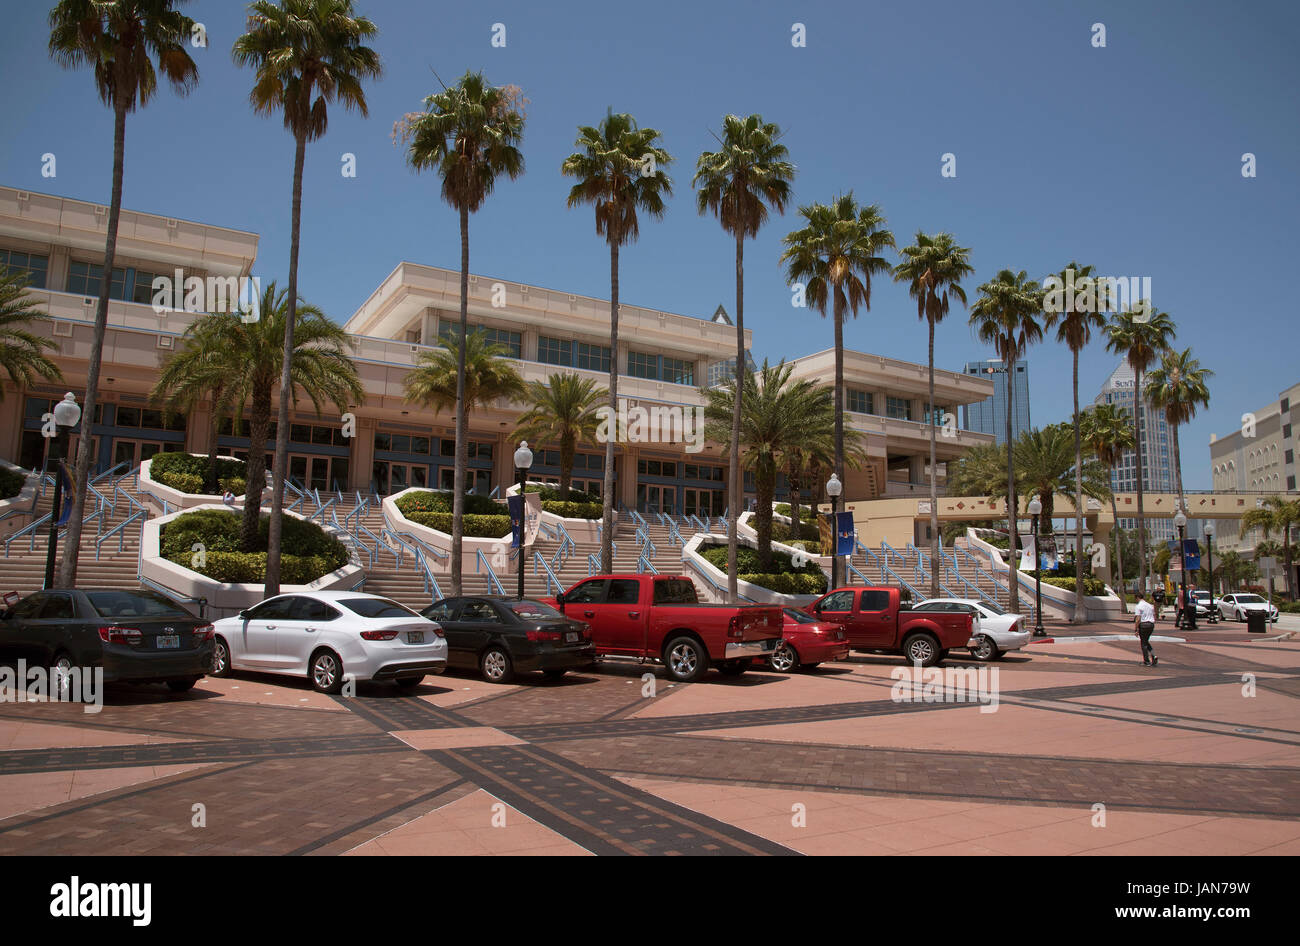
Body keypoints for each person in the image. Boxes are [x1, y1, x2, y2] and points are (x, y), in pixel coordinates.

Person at [1133, 590, 1158, 667]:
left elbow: (1137, 619)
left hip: (1143, 625)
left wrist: (1136, 629)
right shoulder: (1150, 605)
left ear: (1137, 598)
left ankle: (1146, 661)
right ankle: (1153, 655)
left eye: (1135, 599)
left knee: (1143, 643)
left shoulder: (1138, 606)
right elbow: (1154, 615)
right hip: (1151, 624)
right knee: (1146, 641)